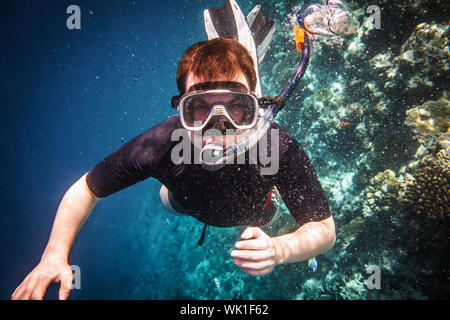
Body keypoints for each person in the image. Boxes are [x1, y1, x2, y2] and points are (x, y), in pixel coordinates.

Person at [12, 1, 335, 299]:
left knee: (266, 214)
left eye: (237, 107)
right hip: (183, 201)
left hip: (259, 210)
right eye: (199, 108)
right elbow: (85, 189)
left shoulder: (276, 145)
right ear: (181, 109)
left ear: (255, 106)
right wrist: (54, 253)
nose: (217, 125)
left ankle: (245, 95)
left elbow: (323, 229)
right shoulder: (160, 145)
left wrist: (280, 250)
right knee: (168, 200)